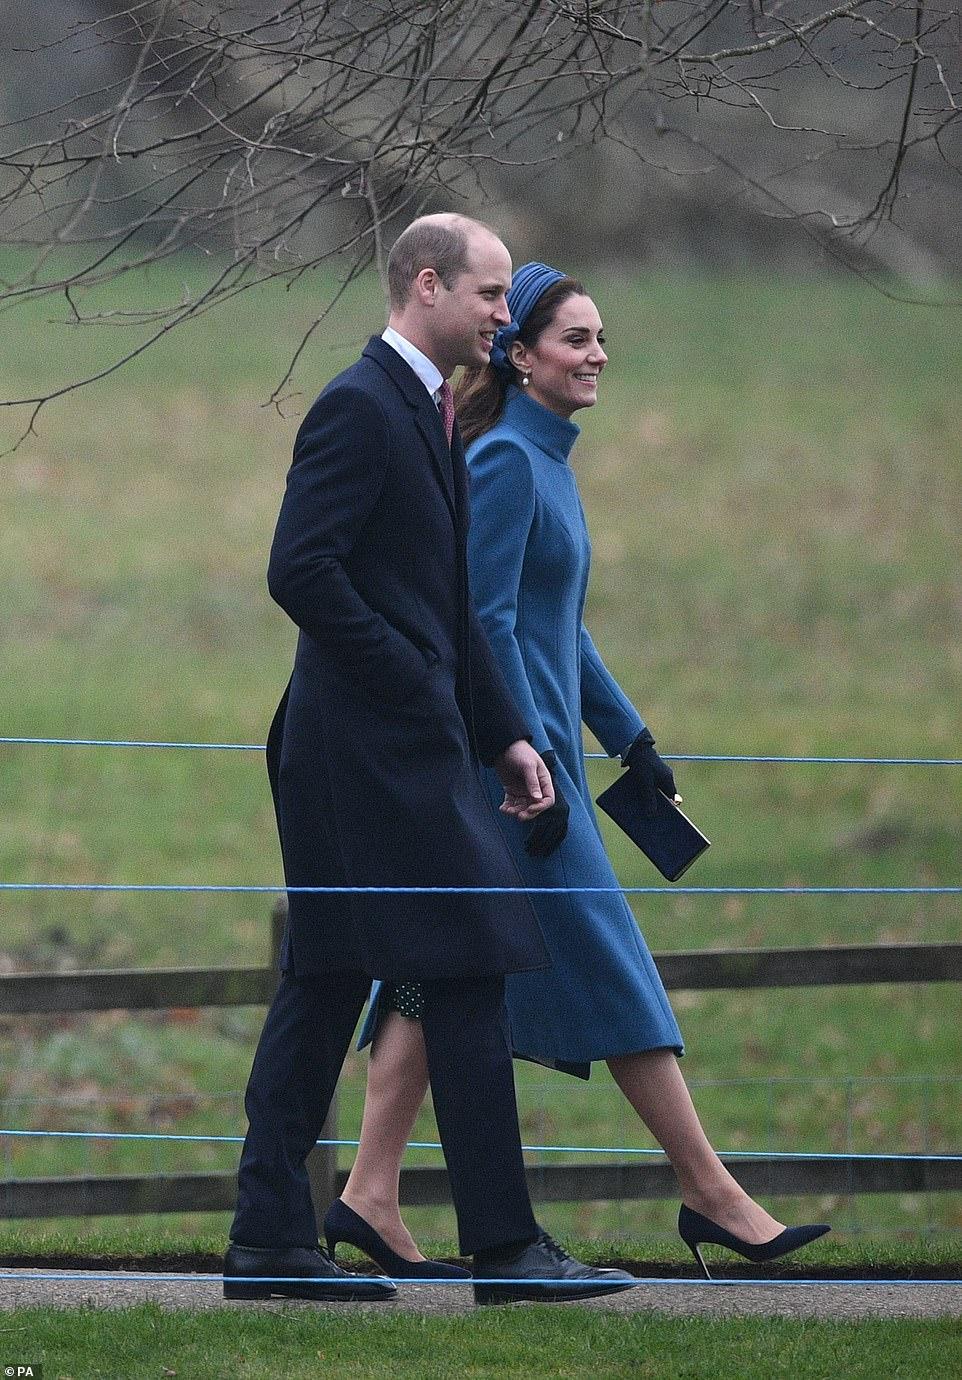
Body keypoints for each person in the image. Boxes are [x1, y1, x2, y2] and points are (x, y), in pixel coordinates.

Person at [335, 263, 829, 1281]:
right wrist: (536, 760)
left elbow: (562, 623)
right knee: (610, 968)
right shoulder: (511, 462)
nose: (595, 355)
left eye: (600, 338)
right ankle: (710, 1192)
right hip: (518, 788)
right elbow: (487, 627)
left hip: (533, 770)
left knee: (431, 971)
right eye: (573, 339)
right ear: (519, 356)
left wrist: (629, 738)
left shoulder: (540, 460)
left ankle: (366, 1194)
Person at [224, 219, 637, 1305]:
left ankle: (279, 1240)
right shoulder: (360, 408)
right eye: (492, 295)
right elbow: (299, 573)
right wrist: (415, 684)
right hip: (351, 753)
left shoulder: (436, 410)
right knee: (423, 964)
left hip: (405, 749)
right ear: (426, 286)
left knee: (353, 978)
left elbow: (449, 603)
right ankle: (496, 1249)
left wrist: (505, 732)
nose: (505, 316)